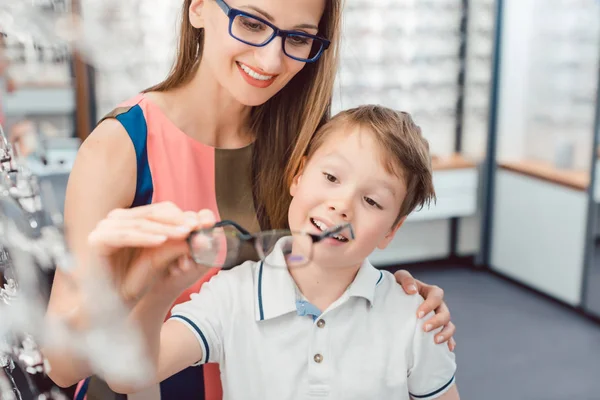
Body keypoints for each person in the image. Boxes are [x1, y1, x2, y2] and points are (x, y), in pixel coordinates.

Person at [45, 0, 456, 399]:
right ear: (199, 7)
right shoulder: (121, 145)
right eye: (252, 24)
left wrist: (399, 298)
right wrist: (139, 284)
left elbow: (325, 260)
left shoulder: (301, 139)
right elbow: (61, 364)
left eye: (297, 37)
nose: (272, 60)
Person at [97, 105, 460, 400]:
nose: (342, 205)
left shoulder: (417, 317)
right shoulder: (231, 296)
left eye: (371, 200)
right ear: (298, 176)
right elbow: (127, 374)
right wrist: (162, 287)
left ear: (391, 230)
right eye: (332, 178)